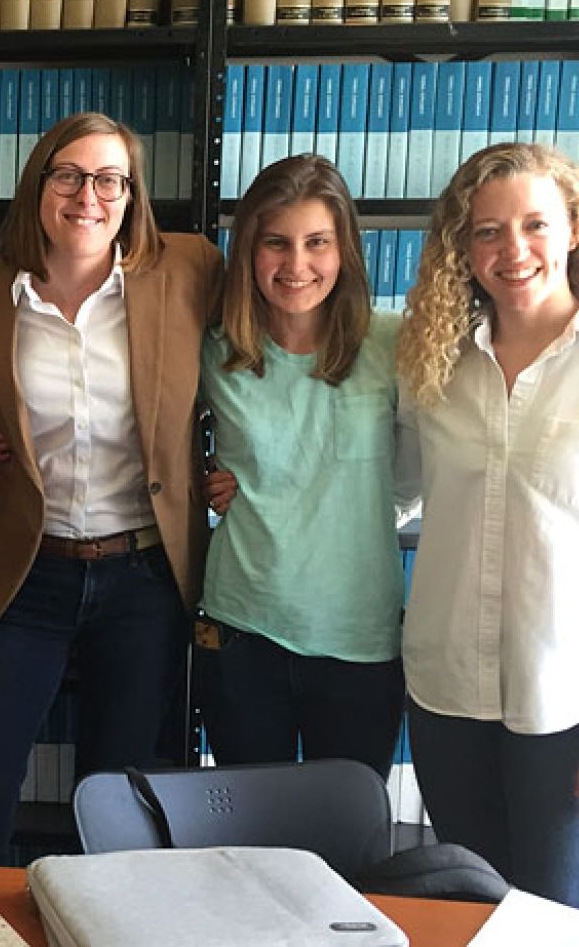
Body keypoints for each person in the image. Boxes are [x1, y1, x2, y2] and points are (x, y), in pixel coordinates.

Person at [0, 112, 224, 865]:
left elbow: (266, 342)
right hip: (29, 574)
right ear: (39, 184)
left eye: (110, 178)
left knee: (117, 804)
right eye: (70, 175)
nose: (90, 195)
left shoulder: (189, 269)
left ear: (132, 194)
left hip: (145, 578)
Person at [395, 141, 579, 906]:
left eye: (535, 224)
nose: (514, 250)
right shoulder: (429, 363)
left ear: (573, 227)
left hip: (562, 699)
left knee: (553, 911)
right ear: (461, 247)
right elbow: (393, 491)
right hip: (447, 693)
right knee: (470, 904)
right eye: (488, 231)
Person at [196, 154, 405, 784]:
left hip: (359, 638)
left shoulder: (396, 344)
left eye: (318, 243)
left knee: (345, 850)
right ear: (248, 252)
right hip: (242, 633)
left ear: (345, 251)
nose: (296, 265)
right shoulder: (212, 350)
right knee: (251, 848)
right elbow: (141, 430)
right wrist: (196, 476)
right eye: (276, 243)